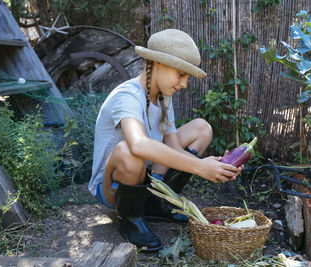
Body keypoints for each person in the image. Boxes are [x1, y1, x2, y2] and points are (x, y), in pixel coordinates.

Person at [88, 29, 242, 252]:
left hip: (146, 175)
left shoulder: (162, 97)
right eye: (181, 74)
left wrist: (213, 164)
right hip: (112, 186)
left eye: (187, 77)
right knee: (131, 150)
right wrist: (199, 167)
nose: (185, 84)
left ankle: (157, 203)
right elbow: (139, 144)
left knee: (201, 129)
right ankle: (130, 218)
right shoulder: (128, 96)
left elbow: (173, 146)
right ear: (157, 63)